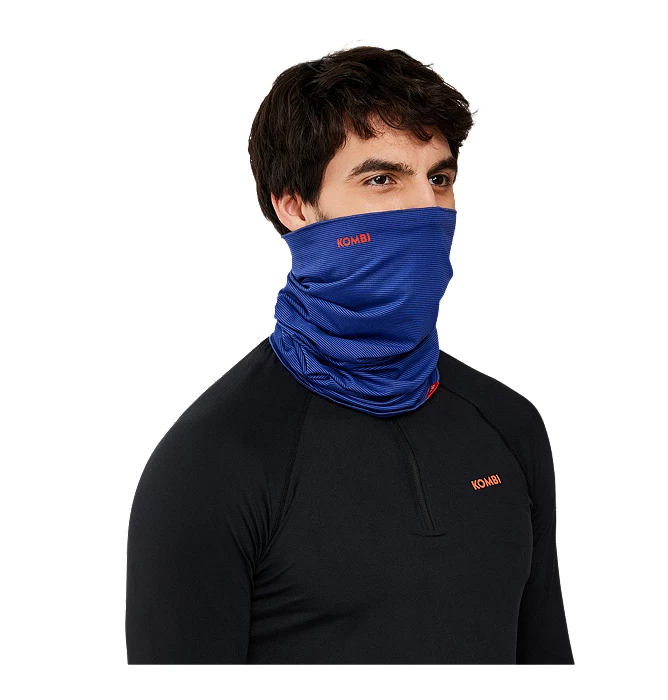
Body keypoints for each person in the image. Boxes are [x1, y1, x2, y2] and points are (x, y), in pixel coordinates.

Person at [125, 45, 574, 664]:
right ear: (294, 205)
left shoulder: (508, 424)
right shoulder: (213, 461)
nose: (427, 210)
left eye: (439, 178)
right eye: (381, 179)